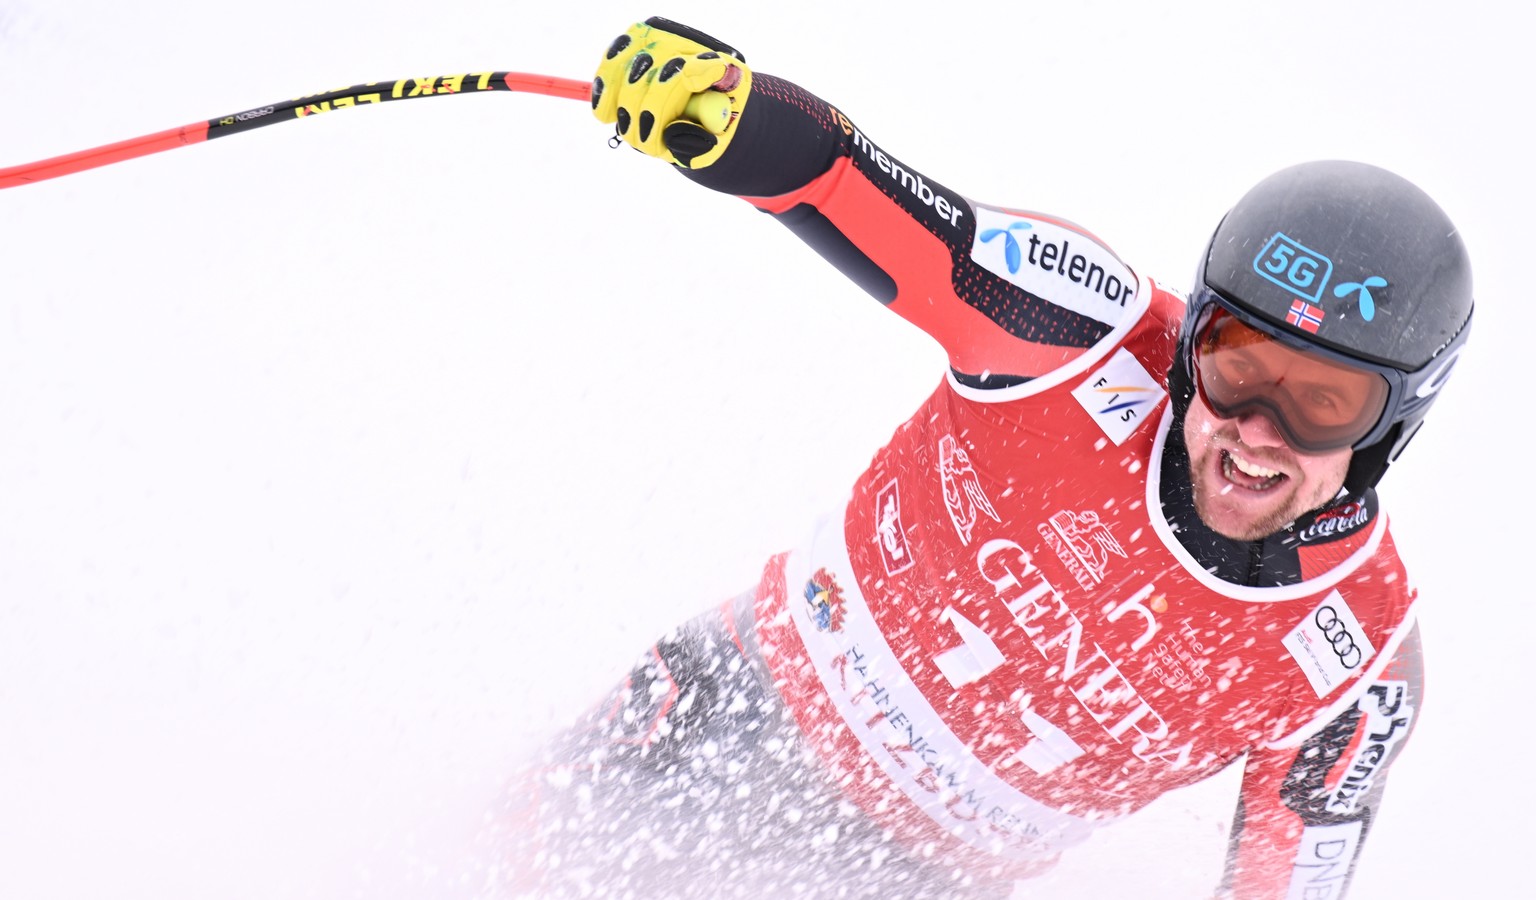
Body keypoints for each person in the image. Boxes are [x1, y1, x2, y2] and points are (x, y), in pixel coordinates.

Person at [500, 17, 1473, 899]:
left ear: (1392, 428)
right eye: (1237, 367)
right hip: (735, 712)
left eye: (1323, 405)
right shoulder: (1080, 333)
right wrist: (734, 117)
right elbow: (861, 189)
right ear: (1191, 344)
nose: (1258, 431)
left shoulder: (1358, 659)